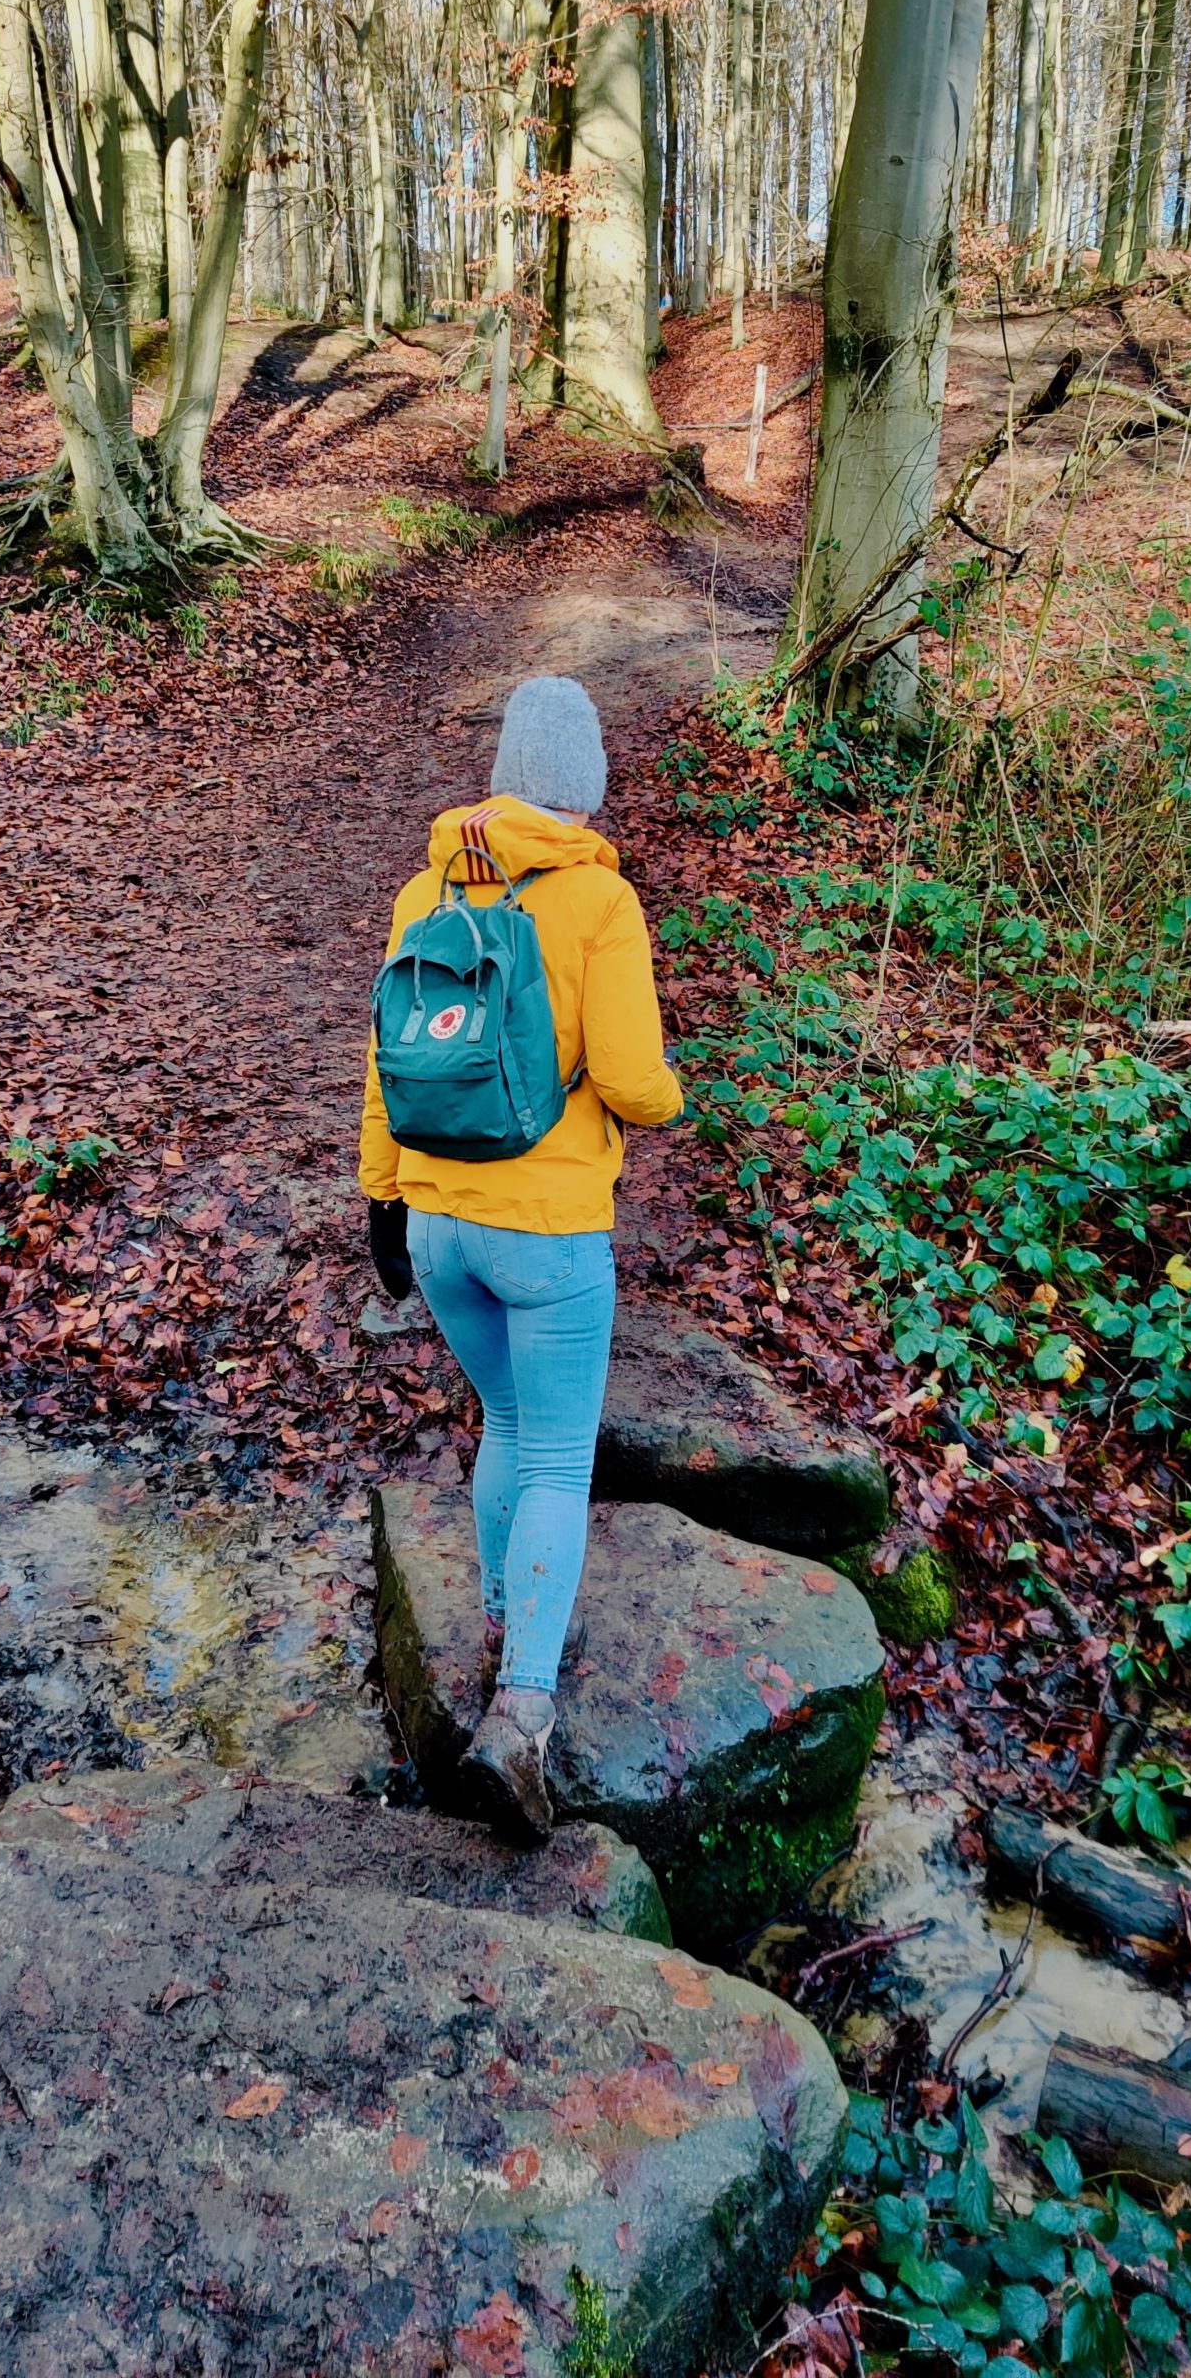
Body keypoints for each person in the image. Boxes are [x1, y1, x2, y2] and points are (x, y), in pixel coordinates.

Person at [359, 675, 682, 1841]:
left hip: (439, 1225)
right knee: (555, 1457)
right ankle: (524, 1711)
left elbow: (386, 1064)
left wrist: (383, 1199)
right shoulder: (601, 903)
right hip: (546, 1236)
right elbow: (636, 1082)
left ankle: (503, 1611)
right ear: (584, 788)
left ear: (501, 776)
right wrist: (671, 1095)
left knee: (501, 1422)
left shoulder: (424, 887)